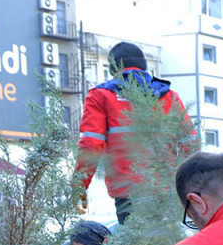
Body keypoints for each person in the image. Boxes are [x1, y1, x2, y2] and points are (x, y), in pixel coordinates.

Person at [77, 42, 193, 223]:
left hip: (127, 192)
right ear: (144, 66)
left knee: (134, 239)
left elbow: (91, 146)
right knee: (166, 237)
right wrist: (186, 184)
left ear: (113, 68)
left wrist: (79, 186)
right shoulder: (169, 96)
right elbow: (190, 143)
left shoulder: (101, 96)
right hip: (166, 188)